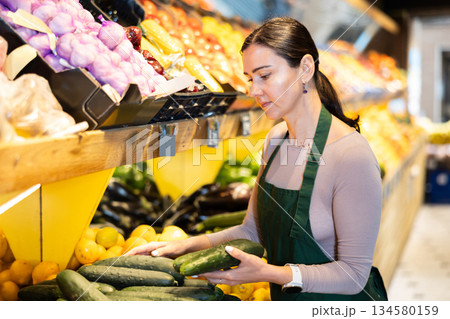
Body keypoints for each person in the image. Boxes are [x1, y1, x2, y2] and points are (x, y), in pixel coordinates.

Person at [127, 17, 388, 301]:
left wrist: (269, 273)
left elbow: (353, 275)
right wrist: (184, 247)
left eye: (265, 76)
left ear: (305, 68)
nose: (254, 91)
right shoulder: (275, 141)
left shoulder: (351, 155)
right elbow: (253, 230)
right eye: (250, 79)